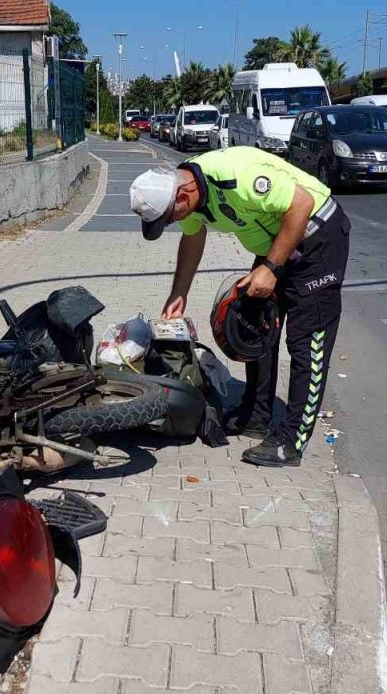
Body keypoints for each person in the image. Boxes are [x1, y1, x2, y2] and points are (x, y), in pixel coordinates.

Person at [128, 146, 350, 467]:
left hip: (316, 236)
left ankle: (291, 440)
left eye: (170, 218)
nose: (174, 222)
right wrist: (180, 293)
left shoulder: (237, 177)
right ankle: (257, 416)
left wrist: (271, 269)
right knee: (251, 325)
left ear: (183, 196)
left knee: (306, 341)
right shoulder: (189, 190)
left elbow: (301, 204)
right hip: (280, 239)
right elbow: (193, 238)